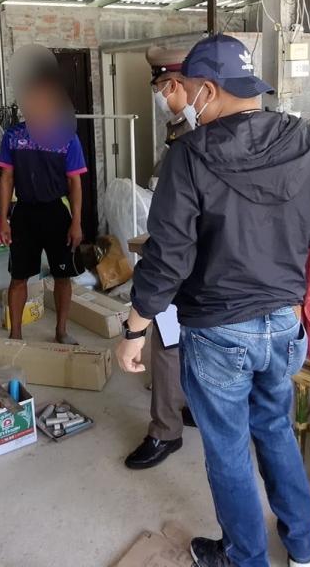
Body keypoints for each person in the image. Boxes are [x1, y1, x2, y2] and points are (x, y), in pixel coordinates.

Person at [114, 34, 310, 567]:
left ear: (207, 88)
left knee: (227, 450)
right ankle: (303, 552)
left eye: (186, 88)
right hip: (284, 324)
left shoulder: (189, 156)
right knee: (276, 431)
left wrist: (134, 329)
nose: (182, 101)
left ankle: (245, 558)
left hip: (219, 329)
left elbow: (168, 257)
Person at [123, 45, 196, 471]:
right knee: (181, 342)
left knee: (167, 345)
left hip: (182, 263)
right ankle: (185, 408)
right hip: (193, 259)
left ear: (175, 85)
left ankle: (166, 430)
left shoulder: (194, 134)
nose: (158, 96)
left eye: (160, 87)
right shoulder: (185, 129)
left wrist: (135, 323)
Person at [0, 55, 86, 343]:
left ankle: (61, 331)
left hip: (56, 213)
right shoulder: (13, 136)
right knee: (18, 277)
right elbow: (6, 178)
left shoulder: (67, 138)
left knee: (63, 276)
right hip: (24, 213)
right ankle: (16, 335)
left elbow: (75, 183)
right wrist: (3, 220)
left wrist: (76, 222)